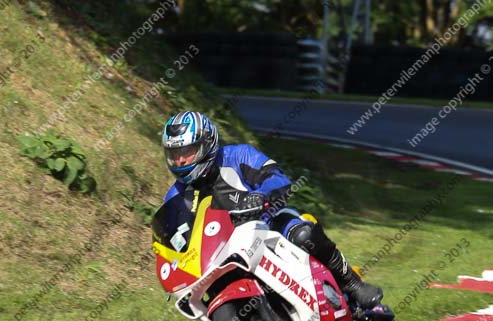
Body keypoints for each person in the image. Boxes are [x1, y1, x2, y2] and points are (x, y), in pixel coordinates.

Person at [162, 110, 383, 308]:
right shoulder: (176, 195)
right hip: (224, 252)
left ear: (206, 144)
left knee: (304, 233)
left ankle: (353, 284)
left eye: (187, 151)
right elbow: (174, 235)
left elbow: (277, 178)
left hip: (268, 225)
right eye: (174, 154)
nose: (180, 160)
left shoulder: (238, 155)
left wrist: (261, 195)